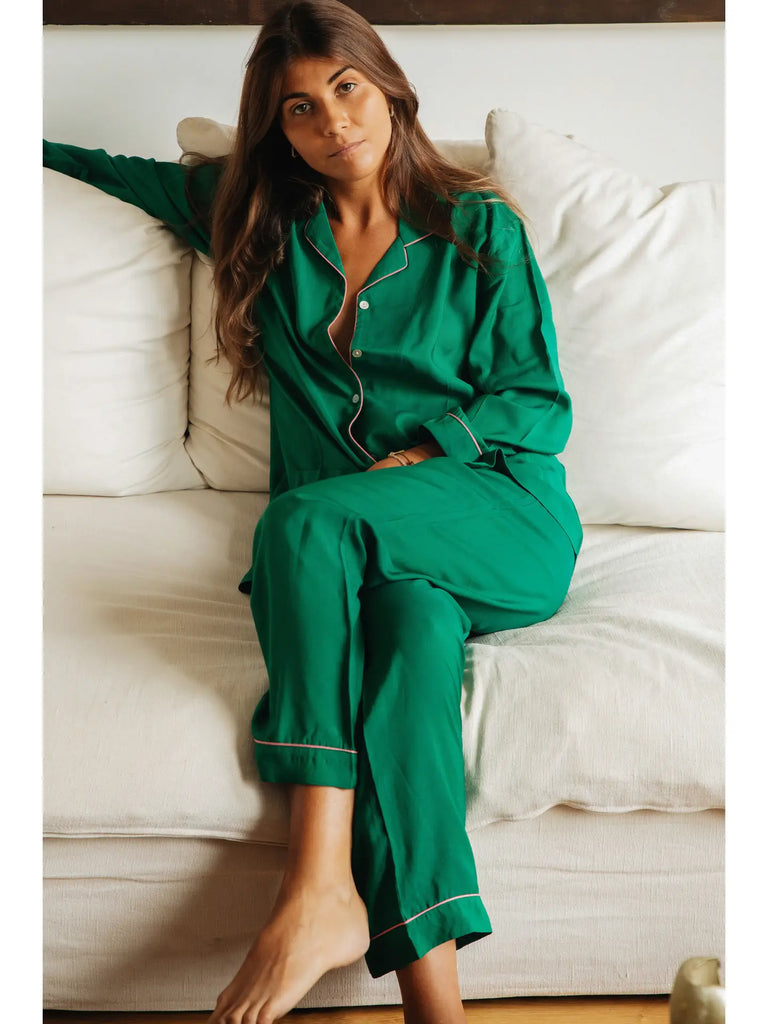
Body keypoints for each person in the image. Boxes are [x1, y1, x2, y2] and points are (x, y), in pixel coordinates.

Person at [43, 1, 583, 1021]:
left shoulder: (479, 227)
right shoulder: (255, 220)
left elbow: (535, 403)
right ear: (277, 129)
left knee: (302, 521)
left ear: (389, 88)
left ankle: (316, 885)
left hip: (500, 514)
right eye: (301, 106)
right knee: (407, 648)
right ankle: (438, 1006)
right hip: (381, 569)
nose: (333, 119)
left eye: (347, 87)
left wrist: (428, 453)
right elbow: (109, 168)